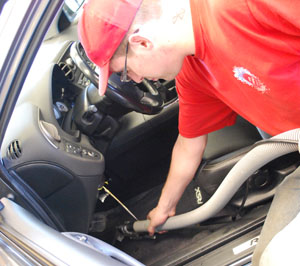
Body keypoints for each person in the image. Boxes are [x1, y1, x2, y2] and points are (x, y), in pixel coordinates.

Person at [78, 0, 300, 264]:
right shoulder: (193, 73)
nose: (135, 80)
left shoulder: (245, 6)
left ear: (142, 43)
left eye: (125, 72)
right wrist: (164, 208)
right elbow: (188, 144)